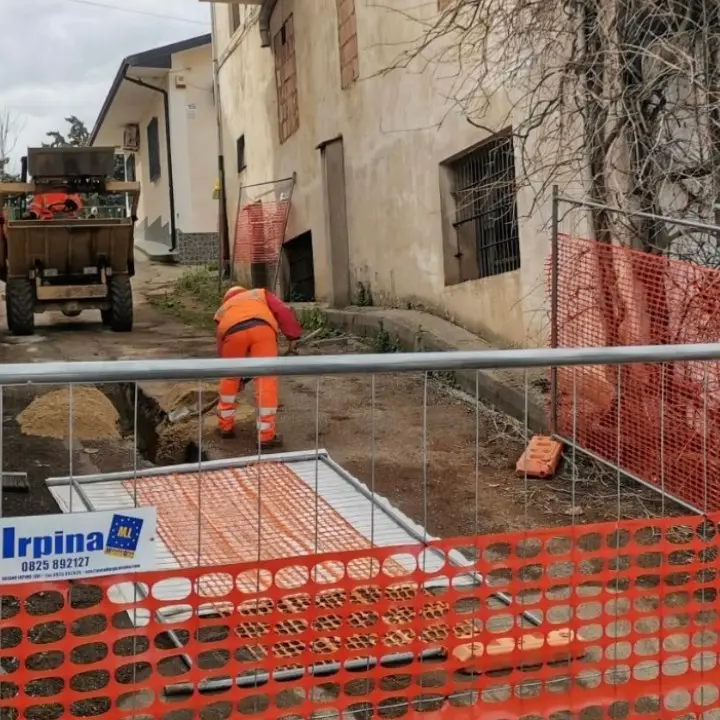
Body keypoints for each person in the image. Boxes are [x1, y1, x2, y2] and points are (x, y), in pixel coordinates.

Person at [214, 285, 302, 446]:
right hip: (262, 329)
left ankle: (225, 427)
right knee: (265, 379)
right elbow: (282, 311)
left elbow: (221, 343)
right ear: (244, 291)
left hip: (232, 332)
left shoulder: (223, 309)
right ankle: (266, 436)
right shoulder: (259, 294)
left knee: (228, 378)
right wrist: (293, 335)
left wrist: (231, 372)